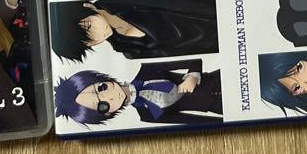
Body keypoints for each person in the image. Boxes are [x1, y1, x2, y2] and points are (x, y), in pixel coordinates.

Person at [48, 0, 219, 63]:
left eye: (88, 27)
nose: (96, 37)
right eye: (88, 42)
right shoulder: (130, 52)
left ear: (87, 6)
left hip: (217, 6)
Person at [54, 60, 223, 126]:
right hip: (216, 107)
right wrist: (223, 122)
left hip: (217, 78)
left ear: (101, 79)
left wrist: (192, 76)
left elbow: (192, 61)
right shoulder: (146, 115)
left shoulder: (146, 70)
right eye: (102, 105)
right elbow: (190, 120)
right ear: (106, 114)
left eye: (102, 88)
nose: (110, 97)